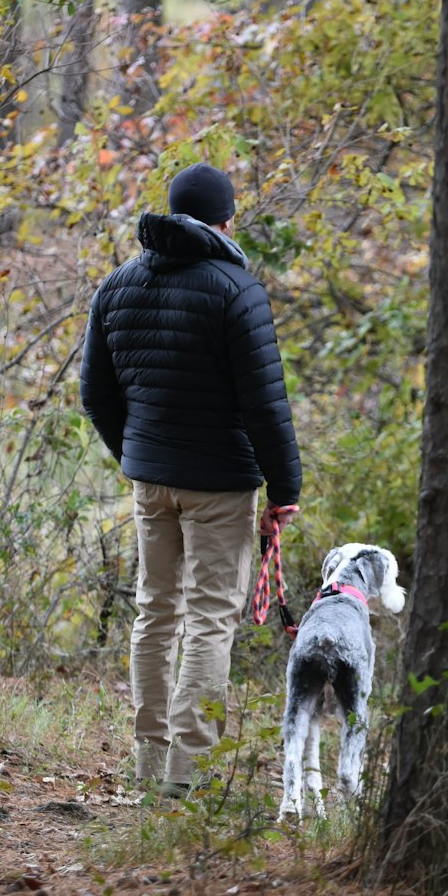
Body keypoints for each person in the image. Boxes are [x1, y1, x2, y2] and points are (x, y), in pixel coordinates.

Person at [80, 162, 301, 796]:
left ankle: (149, 766)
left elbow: (96, 396)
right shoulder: (237, 290)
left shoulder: (116, 286)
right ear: (226, 220)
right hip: (220, 485)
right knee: (209, 617)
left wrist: (139, 453)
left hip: (150, 482)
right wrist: (285, 490)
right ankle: (187, 776)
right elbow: (265, 404)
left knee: (155, 612)